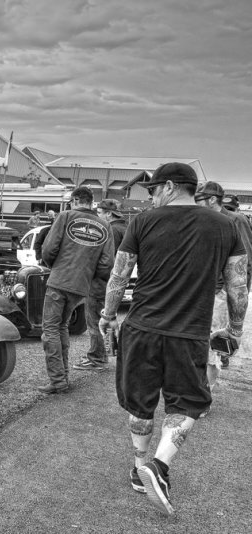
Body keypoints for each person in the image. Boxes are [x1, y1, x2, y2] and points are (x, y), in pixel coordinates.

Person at [99, 163, 247, 516]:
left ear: (167, 187)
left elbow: (119, 276)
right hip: (189, 330)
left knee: (140, 402)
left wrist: (107, 316)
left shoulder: (143, 221)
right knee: (188, 402)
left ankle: (140, 468)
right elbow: (238, 285)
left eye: (152, 190)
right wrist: (236, 329)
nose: (150, 197)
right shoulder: (226, 225)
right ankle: (160, 465)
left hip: (142, 328)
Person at [37, 186, 114, 394]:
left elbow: (48, 249)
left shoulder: (65, 216)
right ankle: (63, 378)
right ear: (91, 202)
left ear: (75, 200)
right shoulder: (105, 225)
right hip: (81, 286)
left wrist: (56, 267)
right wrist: (88, 275)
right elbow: (107, 264)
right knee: (62, 327)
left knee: (51, 329)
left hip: (60, 280)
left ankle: (58, 380)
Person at [195, 181, 252, 375]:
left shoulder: (236, 220)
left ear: (212, 199)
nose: (195, 203)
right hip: (203, 289)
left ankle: (210, 381)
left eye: (198, 199)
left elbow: (244, 263)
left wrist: (233, 296)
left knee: (214, 345)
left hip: (221, 290)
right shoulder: (203, 219)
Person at [74, 198, 127, 371]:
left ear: (108, 214)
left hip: (100, 282)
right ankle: (109, 353)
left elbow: (105, 259)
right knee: (108, 318)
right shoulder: (125, 228)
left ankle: (97, 357)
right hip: (115, 283)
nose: (97, 216)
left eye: (99, 213)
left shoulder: (110, 229)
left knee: (94, 321)